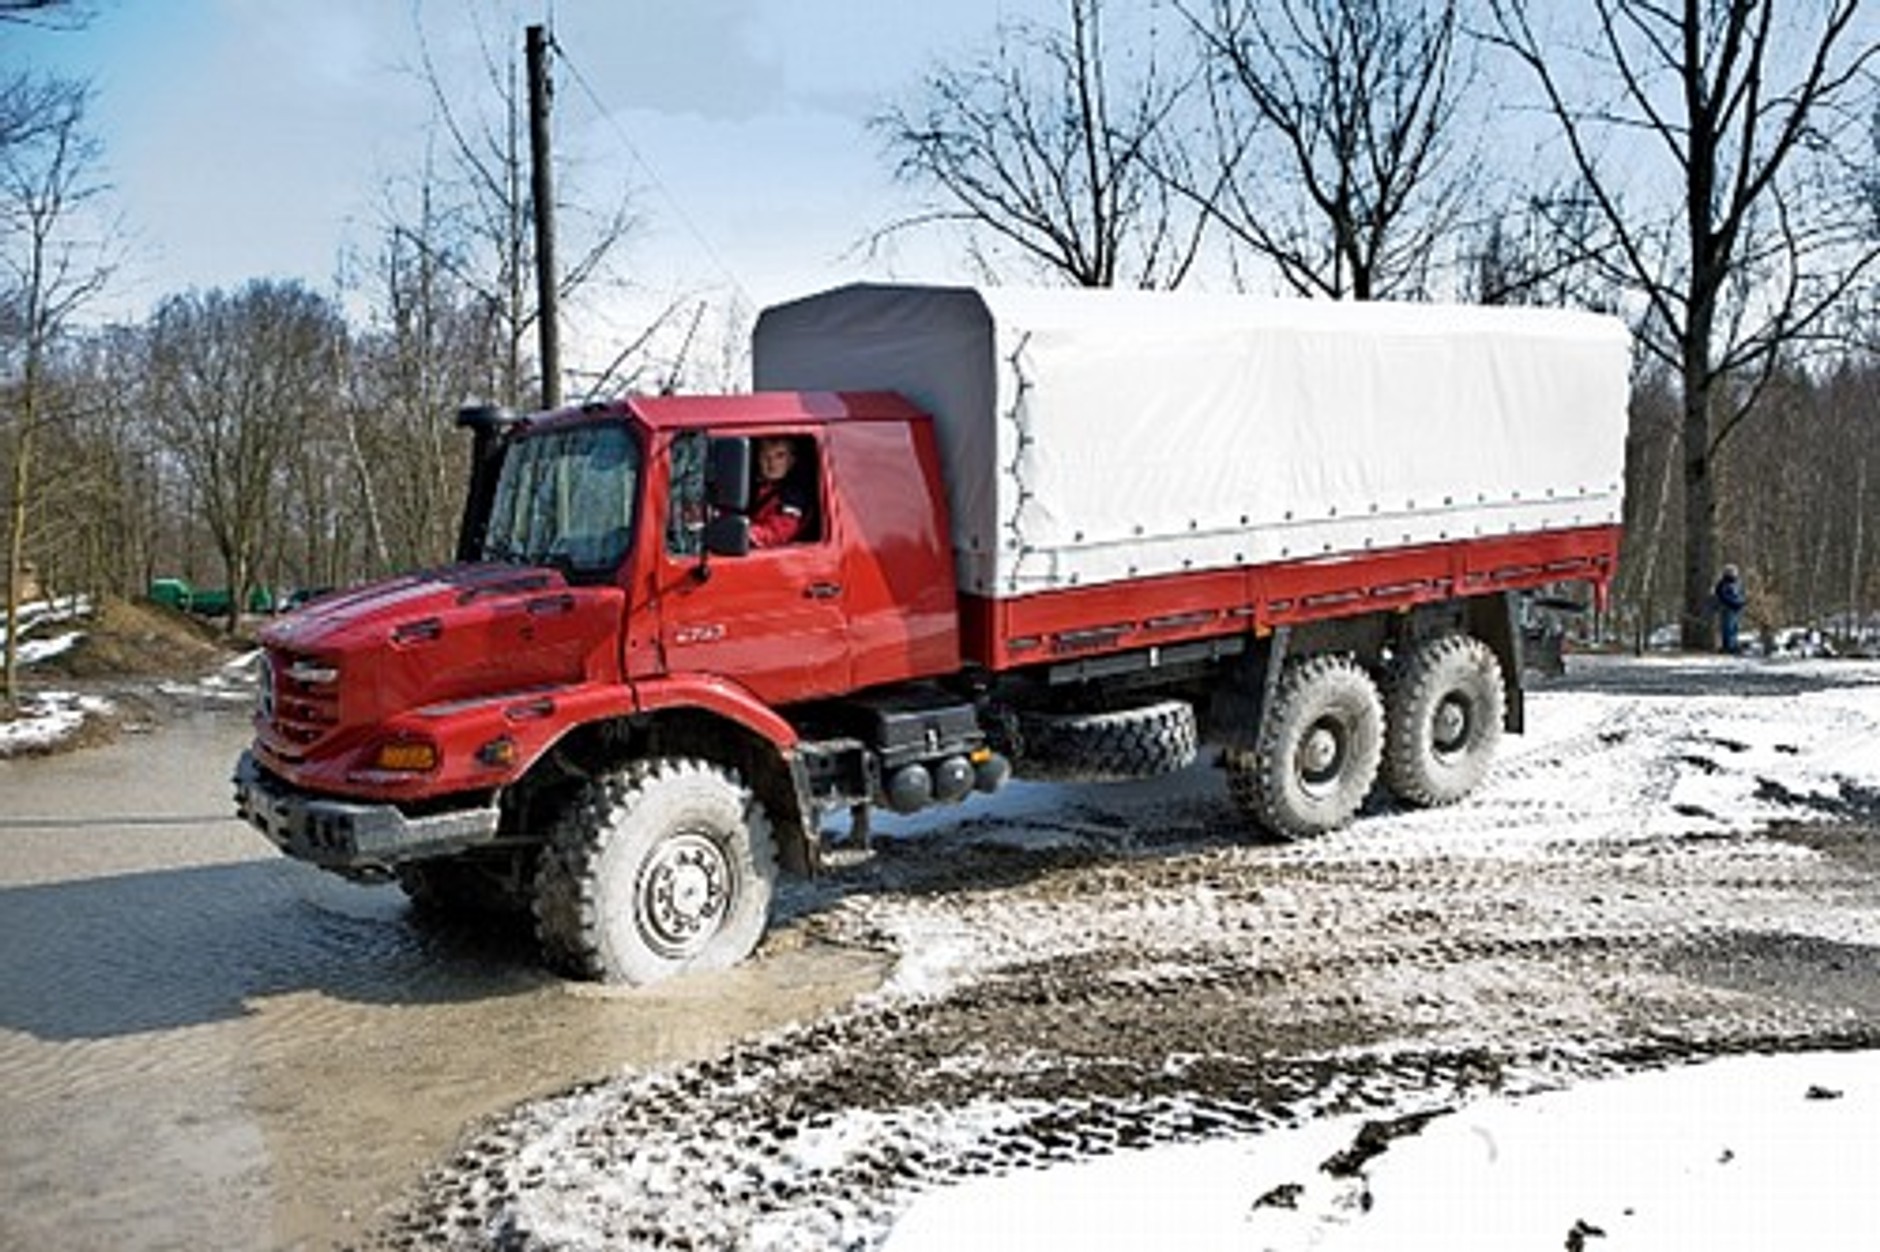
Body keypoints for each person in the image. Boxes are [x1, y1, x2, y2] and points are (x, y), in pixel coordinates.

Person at [748, 436, 811, 548]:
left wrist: (744, 533)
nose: (772, 463)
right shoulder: (753, 485)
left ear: (791, 461)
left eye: (780, 456)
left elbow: (776, 535)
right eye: (765, 456)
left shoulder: (793, 496)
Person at [1713, 563, 1747, 654]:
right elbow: (1723, 596)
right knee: (1728, 628)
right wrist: (1733, 603)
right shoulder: (1723, 583)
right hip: (1727, 608)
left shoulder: (1737, 583)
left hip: (1736, 608)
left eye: (1734, 572)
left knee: (1735, 628)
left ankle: (1734, 644)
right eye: (1732, 572)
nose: (1734, 574)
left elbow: (1741, 594)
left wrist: (1742, 602)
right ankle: (1728, 646)